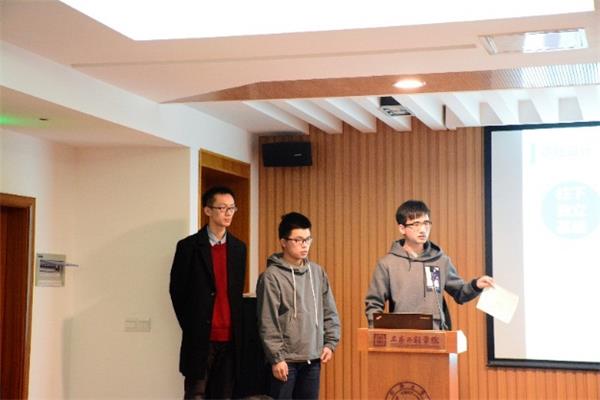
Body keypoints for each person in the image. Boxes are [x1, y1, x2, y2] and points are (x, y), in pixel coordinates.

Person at [365, 200, 494, 330]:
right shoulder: (387, 264)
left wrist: (476, 285)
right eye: (416, 224)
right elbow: (374, 303)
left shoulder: (440, 261)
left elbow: (460, 293)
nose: (422, 229)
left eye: (426, 223)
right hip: (401, 335)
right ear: (402, 228)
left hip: (436, 334)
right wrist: (376, 331)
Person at [169, 186, 247, 399]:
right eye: (222, 208)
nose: (228, 213)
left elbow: (235, 294)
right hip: (200, 337)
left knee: (224, 394)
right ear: (207, 210)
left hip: (231, 338)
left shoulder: (239, 248)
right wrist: (193, 325)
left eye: (232, 208)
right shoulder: (188, 247)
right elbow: (177, 292)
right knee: (196, 393)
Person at [256, 212, 341, 400]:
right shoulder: (271, 276)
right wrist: (276, 358)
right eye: (298, 240)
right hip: (285, 361)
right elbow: (267, 321)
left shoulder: (317, 272)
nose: (304, 245)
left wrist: (330, 343)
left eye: (308, 239)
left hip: (312, 358)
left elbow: (329, 310)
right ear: (283, 242)